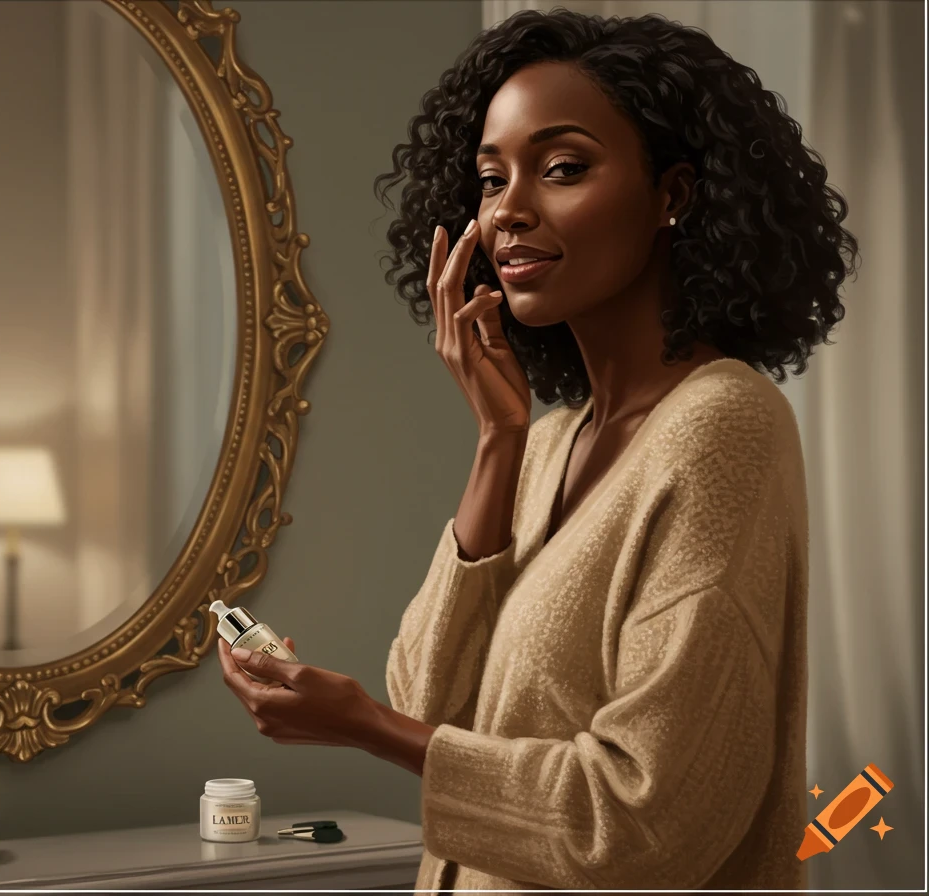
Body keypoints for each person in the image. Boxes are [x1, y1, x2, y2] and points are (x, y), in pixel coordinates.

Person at [216, 8, 857, 890]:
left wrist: (362, 725)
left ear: (673, 195)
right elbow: (432, 707)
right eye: (489, 179)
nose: (509, 210)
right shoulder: (549, 440)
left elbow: (644, 820)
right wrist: (497, 443)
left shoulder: (721, 428)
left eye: (563, 168)